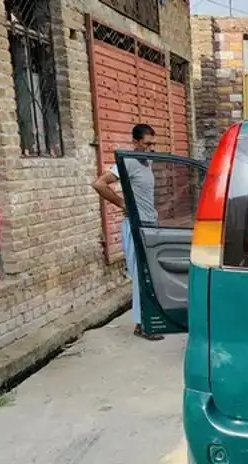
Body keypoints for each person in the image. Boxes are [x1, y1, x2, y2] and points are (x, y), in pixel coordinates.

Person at [92, 124, 163, 341]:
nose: (150, 148)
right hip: (135, 226)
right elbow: (99, 184)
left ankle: (149, 318)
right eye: (146, 143)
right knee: (140, 274)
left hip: (149, 224)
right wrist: (124, 204)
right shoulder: (128, 162)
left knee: (149, 274)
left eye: (153, 144)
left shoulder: (146, 162)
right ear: (135, 142)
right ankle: (142, 324)